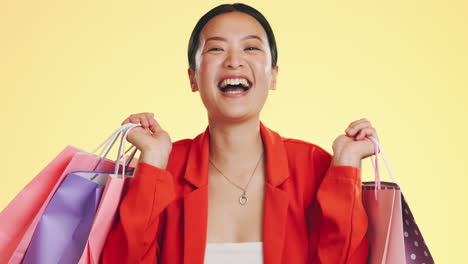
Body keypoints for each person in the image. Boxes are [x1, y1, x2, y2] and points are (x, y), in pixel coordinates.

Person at [102, 3, 376, 264]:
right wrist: (152, 160)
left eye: (251, 47)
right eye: (217, 49)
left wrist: (347, 166)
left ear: (273, 76)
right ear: (193, 78)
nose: (234, 61)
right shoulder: (163, 168)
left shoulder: (314, 166)